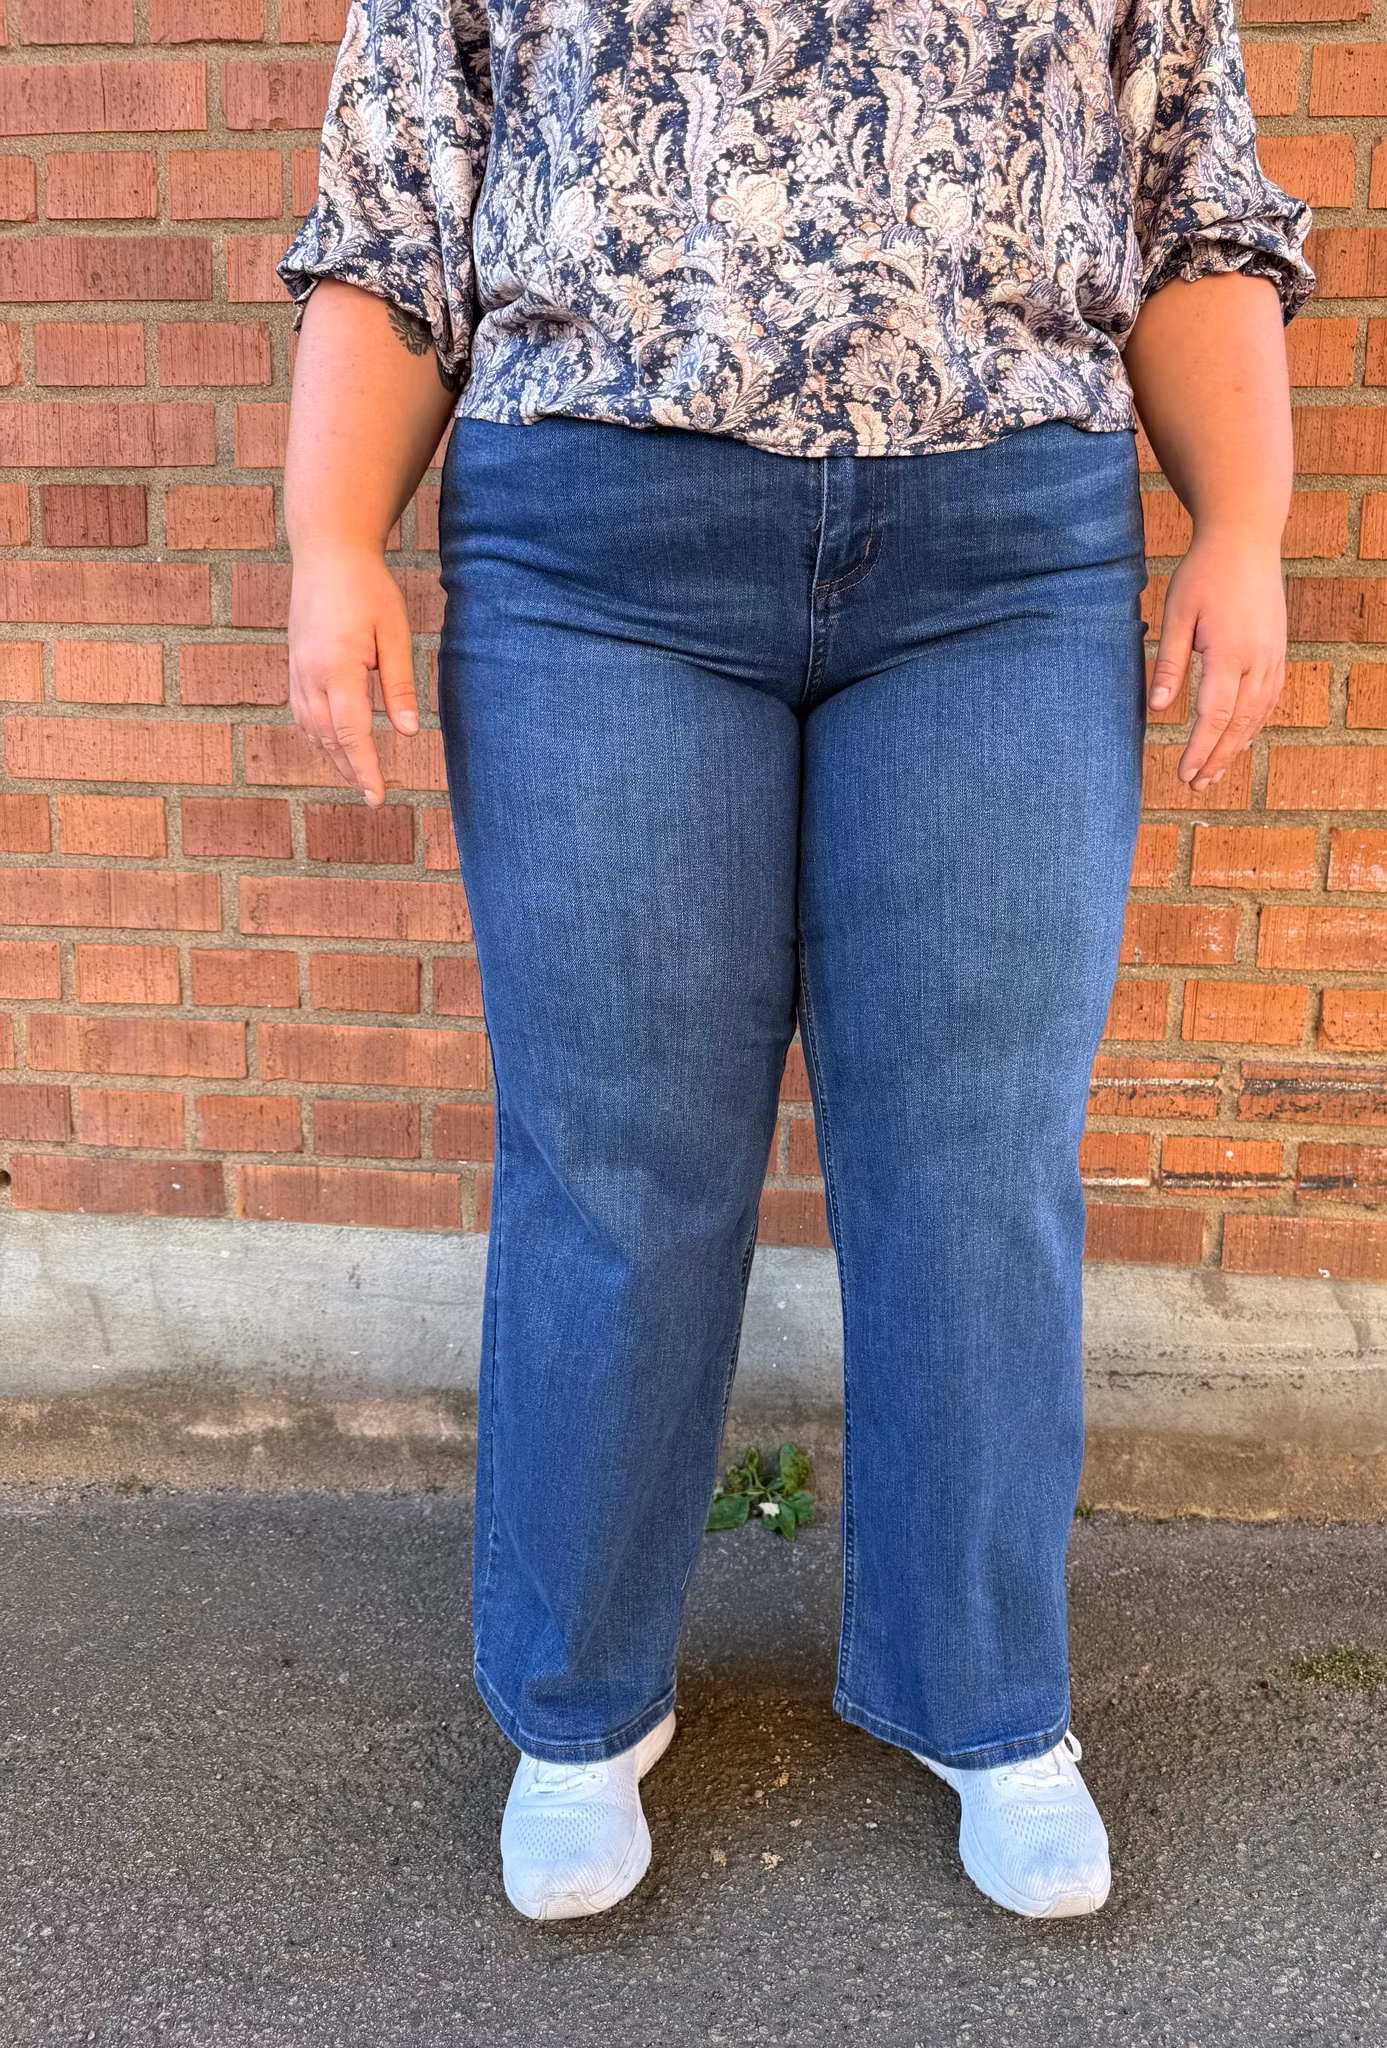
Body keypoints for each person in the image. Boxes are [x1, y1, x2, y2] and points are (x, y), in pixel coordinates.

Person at [278, 0, 1312, 1923]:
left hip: (1005, 546)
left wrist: (1243, 520)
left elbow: (1187, 195)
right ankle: (579, 1705)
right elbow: (398, 202)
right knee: (617, 1156)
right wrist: (333, 534)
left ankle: (986, 1696)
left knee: (977, 1154)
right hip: (595, 545)